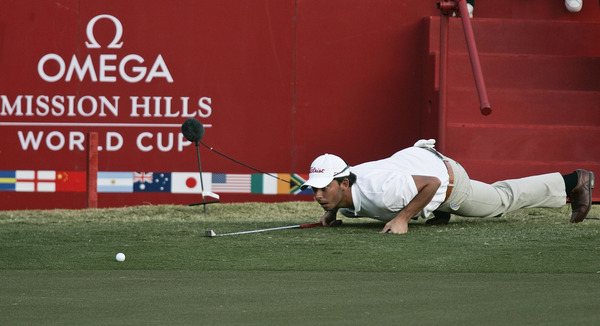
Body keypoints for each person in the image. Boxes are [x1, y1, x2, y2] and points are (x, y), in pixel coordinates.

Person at [301, 139, 595, 234]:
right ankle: (433, 212)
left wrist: (403, 218)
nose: (318, 195)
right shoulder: (345, 187)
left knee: (499, 200)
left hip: (445, 178)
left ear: (343, 182)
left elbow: (432, 183)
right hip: (417, 164)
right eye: (314, 189)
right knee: (411, 199)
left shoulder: (381, 189)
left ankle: (574, 181)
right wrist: (332, 210)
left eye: (323, 188)